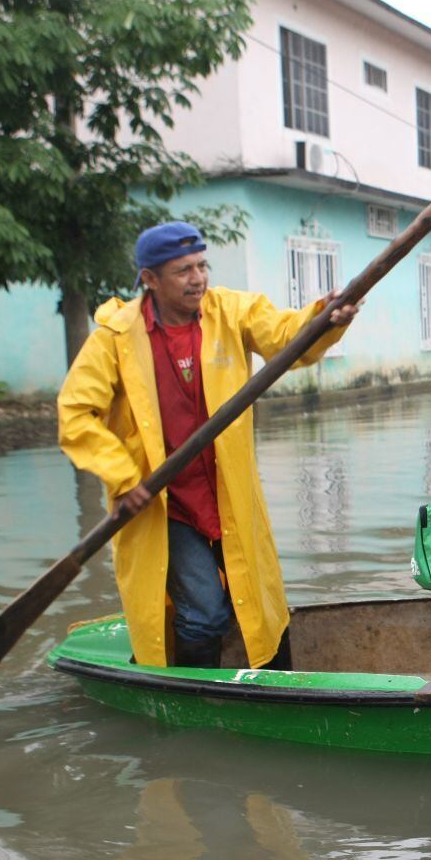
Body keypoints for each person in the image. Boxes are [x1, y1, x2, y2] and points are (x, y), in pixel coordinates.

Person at [58, 221, 360, 669]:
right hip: (165, 504)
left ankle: (275, 686)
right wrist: (125, 477)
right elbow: (76, 414)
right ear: (150, 279)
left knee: (261, 606)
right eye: (183, 270)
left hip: (227, 493)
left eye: (202, 266)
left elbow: (286, 337)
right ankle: (192, 698)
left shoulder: (231, 311)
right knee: (203, 613)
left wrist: (324, 319)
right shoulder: (116, 336)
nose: (197, 278)